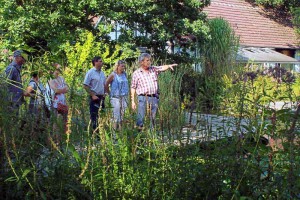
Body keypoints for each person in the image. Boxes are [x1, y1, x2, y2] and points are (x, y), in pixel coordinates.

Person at [131, 53, 177, 129]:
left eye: (150, 60)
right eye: (147, 60)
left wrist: (168, 66)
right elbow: (133, 87)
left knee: (153, 117)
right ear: (141, 62)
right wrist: (132, 101)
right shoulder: (136, 73)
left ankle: (152, 135)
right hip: (142, 98)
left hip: (154, 97)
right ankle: (140, 135)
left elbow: (162, 67)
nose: (149, 62)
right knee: (140, 117)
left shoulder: (153, 69)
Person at [83, 56, 106, 130]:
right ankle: (95, 135)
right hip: (95, 97)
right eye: (100, 61)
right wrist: (92, 95)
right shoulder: (90, 72)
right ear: (95, 62)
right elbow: (85, 85)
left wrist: (105, 93)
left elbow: (104, 84)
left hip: (102, 97)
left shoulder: (102, 73)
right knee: (94, 116)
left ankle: (101, 133)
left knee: (102, 116)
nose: (102, 62)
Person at [105, 60, 129, 130]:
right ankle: (114, 133)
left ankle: (121, 132)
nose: (123, 67)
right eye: (122, 66)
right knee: (116, 116)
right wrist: (109, 93)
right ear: (117, 66)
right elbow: (106, 84)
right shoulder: (113, 75)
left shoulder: (125, 74)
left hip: (124, 97)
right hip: (116, 98)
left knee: (122, 115)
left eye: (124, 66)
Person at [4, 50, 29, 114]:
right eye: (22, 58)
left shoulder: (17, 69)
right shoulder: (11, 68)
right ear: (17, 57)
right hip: (11, 102)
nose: (24, 60)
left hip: (15, 101)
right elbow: (5, 85)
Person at [49, 63, 69, 133]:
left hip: (62, 102)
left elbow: (67, 88)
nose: (60, 70)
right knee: (55, 121)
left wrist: (61, 90)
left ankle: (64, 136)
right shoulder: (50, 79)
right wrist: (62, 90)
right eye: (58, 69)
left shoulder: (61, 78)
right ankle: (55, 137)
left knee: (65, 120)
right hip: (55, 103)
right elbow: (55, 90)